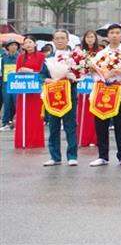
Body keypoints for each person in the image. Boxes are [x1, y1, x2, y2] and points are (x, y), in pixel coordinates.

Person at [90, 24, 121, 167]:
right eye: (111, 33)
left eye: (117, 33)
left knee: (120, 122)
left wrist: (116, 77)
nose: (114, 35)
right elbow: (94, 72)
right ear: (107, 36)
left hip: (119, 89)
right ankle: (102, 156)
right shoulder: (101, 54)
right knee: (101, 121)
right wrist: (104, 78)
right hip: (102, 90)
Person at [40, 29, 79, 166]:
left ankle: (72, 156)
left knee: (70, 126)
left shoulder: (74, 57)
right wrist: (49, 80)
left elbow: (79, 74)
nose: (60, 41)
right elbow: (41, 76)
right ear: (53, 40)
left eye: (63, 38)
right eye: (57, 38)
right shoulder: (48, 58)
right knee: (53, 127)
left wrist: (72, 78)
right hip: (53, 97)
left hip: (69, 96)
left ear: (68, 40)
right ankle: (55, 157)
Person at [1, 40, 19, 130]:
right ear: (7, 47)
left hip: (17, 84)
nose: (13, 47)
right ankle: (5, 123)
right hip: (6, 83)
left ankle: (17, 123)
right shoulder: (3, 58)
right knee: (7, 104)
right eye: (11, 45)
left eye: (15, 45)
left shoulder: (20, 57)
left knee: (17, 104)